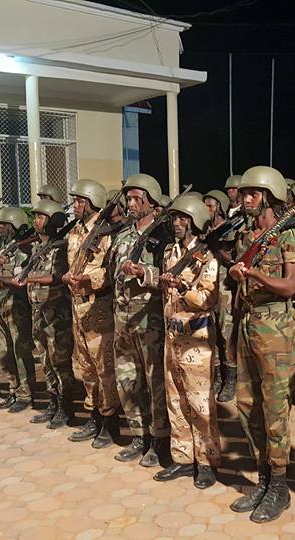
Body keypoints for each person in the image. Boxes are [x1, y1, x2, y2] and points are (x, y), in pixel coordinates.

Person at [227, 165, 295, 523]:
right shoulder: (247, 235)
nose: (245, 198)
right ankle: (262, 477)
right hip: (249, 323)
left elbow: (290, 287)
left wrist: (255, 274)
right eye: (244, 193)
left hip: (276, 327)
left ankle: (279, 485)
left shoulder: (292, 236)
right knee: (247, 404)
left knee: (275, 408)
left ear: (269, 196)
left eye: (253, 193)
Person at [150, 195, 222, 488]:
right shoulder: (170, 251)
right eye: (174, 218)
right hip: (172, 337)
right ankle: (182, 458)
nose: (177, 223)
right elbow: (161, 283)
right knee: (176, 400)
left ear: (195, 221)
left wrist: (182, 287)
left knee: (200, 402)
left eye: (183, 219)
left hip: (195, 341)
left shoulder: (207, 256)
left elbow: (207, 297)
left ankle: (206, 462)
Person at [108, 174, 171, 466]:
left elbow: (171, 277)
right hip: (123, 319)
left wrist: (144, 272)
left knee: (154, 381)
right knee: (127, 379)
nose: (131, 204)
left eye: (137, 199)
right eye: (129, 199)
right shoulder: (122, 236)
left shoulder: (163, 237)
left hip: (149, 320)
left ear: (151, 202)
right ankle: (138, 435)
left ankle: (160, 440)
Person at [63, 179, 121, 448]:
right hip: (77, 305)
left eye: (79, 201)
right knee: (85, 366)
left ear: (92, 202)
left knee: (104, 367)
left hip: (98, 306)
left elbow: (110, 271)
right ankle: (94, 415)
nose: (75, 205)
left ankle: (110, 422)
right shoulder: (76, 231)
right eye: (74, 200)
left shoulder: (107, 232)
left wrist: (87, 279)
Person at [24, 199, 76, 429]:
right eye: (35, 216)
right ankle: (52, 402)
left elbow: (58, 277)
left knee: (59, 360)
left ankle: (66, 407)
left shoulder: (61, 247)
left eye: (40, 216)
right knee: (45, 358)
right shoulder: (38, 247)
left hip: (56, 312)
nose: (36, 221)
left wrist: (30, 278)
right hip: (39, 310)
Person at [0, 207, 35, 414]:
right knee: (3, 351)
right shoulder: (3, 248)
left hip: (16, 305)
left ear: (14, 225)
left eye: (3, 224)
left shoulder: (23, 251)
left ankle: (26, 394)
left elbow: (18, 280)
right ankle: (14, 389)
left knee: (20, 351)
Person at [203, 190, 238, 402]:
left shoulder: (230, 228)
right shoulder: (202, 228)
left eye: (211, 205)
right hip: (207, 286)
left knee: (226, 333)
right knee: (211, 332)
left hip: (224, 285)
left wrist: (215, 244)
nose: (207, 209)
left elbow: (232, 259)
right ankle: (216, 376)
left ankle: (230, 379)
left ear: (220, 207)